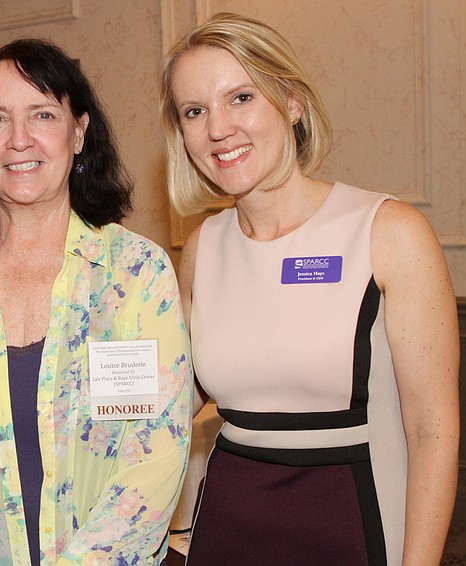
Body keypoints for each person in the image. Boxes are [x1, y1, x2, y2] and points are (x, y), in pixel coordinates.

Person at [0, 38, 192, 565]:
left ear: (79, 132)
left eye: (42, 114)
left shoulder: (137, 273)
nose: (19, 140)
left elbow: (158, 448)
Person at [160, 12, 459, 565]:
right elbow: (182, 394)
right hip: (231, 523)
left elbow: (433, 430)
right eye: (195, 111)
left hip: (354, 518)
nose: (218, 128)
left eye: (241, 97)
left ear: (292, 102)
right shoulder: (204, 246)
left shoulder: (388, 232)